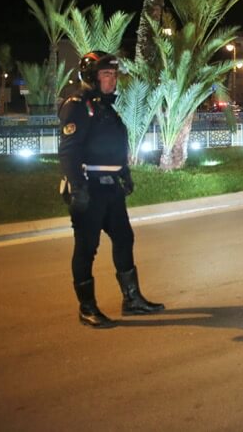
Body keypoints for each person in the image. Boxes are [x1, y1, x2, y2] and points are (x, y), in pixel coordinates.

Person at [58, 51, 164, 328]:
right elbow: (68, 151)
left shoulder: (106, 108)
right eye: (106, 74)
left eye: (114, 75)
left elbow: (114, 146)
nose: (112, 80)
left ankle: (132, 300)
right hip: (89, 186)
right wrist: (77, 188)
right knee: (86, 247)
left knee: (124, 238)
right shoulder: (77, 106)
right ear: (91, 77)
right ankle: (87, 308)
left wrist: (124, 173)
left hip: (110, 187)